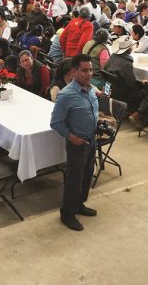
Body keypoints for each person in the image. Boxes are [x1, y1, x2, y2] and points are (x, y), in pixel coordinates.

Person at [50, 54, 99, 231]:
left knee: (87, 175)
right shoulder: (66, 95)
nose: (89, 74)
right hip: (77, 143)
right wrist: (72, 138)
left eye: (91, 70)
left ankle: (79, 204)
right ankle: (67, 212)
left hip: (91, 140)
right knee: (74, 178)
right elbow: (55, 122)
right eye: (84, 70)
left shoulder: (90, 89)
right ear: (74, 71)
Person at [104, 35, 143, 111]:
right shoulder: (127, 62)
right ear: (129, 49)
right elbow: (131, 83)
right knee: (140, 92)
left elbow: (105, 68)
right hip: (119, 91)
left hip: (108, 87)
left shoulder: (113, 56)